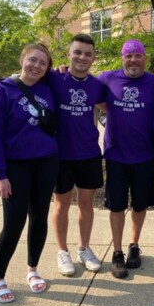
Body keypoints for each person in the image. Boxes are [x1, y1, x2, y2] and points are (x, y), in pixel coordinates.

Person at [0, 43, 59, 303]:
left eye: (43, 63)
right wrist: (0, 174)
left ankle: (33, 269)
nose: (37, 66)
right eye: (33, 60)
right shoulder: (2, 91)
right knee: (14, 223)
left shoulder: (48, 88)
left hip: (46, 163)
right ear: (22, 60)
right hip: (16, 167)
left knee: (39, 218)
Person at [97, 39, 154, 279]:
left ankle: (134, 245)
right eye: (129, 56)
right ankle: (117, 252)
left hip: (144, 154)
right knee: (117, 205)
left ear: (144, 57)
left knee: (140, 204)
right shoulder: (106, 78)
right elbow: (86, 90)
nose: (133, 60)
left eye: (138, 55)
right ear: (122, 58)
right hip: (116, 154)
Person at [48, 34, 106, 276]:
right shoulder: (53, 78)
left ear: (93, 58)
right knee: (61, 204)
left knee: (86, 204)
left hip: (89, 153)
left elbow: (109, 110)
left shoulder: (97, 86)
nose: (82, 57)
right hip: (60, 155)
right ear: (69, 54)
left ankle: (84, 248)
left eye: (88, 54)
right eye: (78, 52)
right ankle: (63, 252)